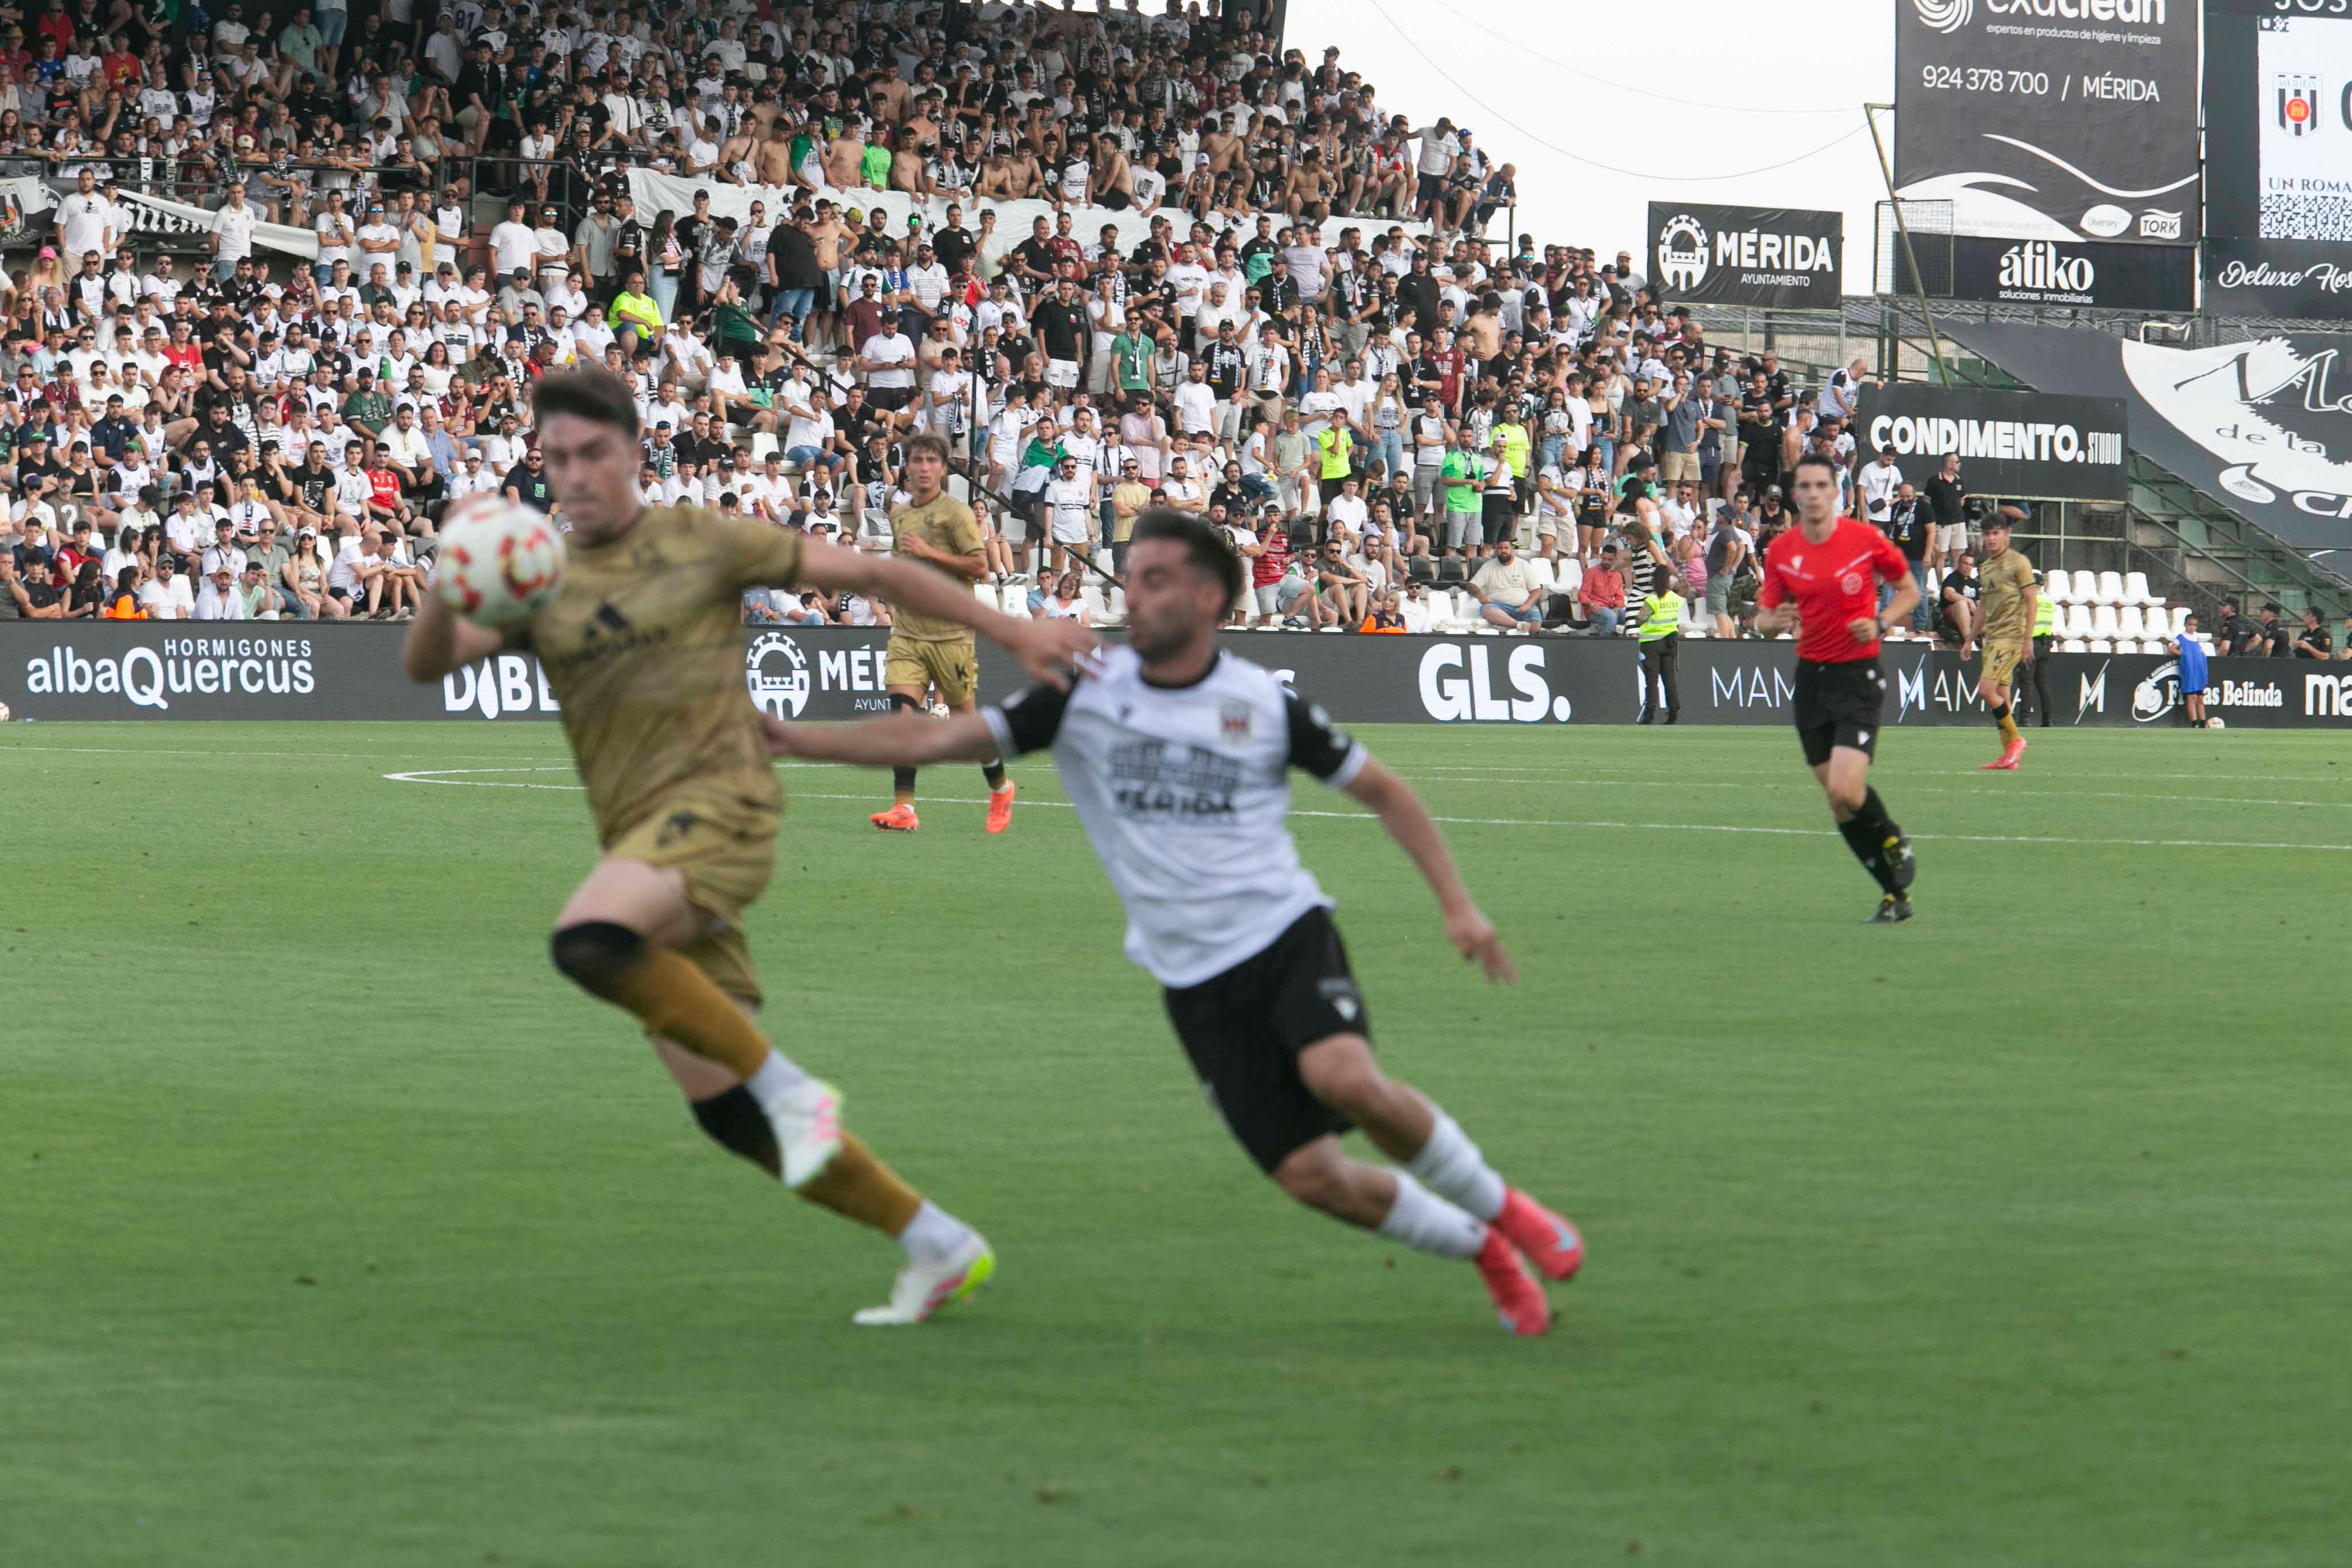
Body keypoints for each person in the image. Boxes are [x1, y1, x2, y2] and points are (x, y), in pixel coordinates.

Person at [764, 509, 1585, 1336]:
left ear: (1208, 598)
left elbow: (1384, 790)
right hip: (1192, 978)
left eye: (1155, 579)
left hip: (1285, 934)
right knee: (1311, 1176)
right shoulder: (1084, 697)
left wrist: (1459, 906)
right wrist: (796, 741)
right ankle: (1482, 1246)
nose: (1134, 593)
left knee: (1344, 1080)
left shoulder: (1259, 700)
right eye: (1130, 578)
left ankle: (1505, 1206)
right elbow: (948, 737)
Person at [399, 369, 1096, 1326]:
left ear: (634, 454)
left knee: (588, 940)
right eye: (556, 458)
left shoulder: (697, 539)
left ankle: (792, 1082)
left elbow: (878, 575)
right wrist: (449, 581)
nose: (574, 475)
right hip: (643, 840)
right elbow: (429, 662)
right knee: (726, 1109)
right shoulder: (538, 578)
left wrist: (1014, 628)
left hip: (721, 801)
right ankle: (933, 1239)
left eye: (592, 454)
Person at [1753, 452, 1922, 924]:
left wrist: (1883, 621)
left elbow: (1910, 590)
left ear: (1835, 492)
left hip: (1858, 675)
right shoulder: (1782, 550)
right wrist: (1774, 621)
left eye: (1819, 486)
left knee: (1848, 789)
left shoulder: (1865, 539)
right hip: (1811, 680)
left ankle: (1892, 836)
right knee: (1836, 799)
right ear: (1794, 495)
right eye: (1802, 487)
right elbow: (1765, 618)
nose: (1811, 494)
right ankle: (1894, 895)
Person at [868, 433, 1019, 837]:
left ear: (942, 468)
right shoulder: (899, 515)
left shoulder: (956, 514)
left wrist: (930, 554)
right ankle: (904, 807)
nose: (923, 468)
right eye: (916, 461)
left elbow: (979, 568)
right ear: (908, 467)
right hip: (908, 633)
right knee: (902, 717)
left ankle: (1001, 788)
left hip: (951, 634)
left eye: (931, 461)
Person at [1971, 515, 2036, 771]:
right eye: (1987, 534)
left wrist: (2028, 638)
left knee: (1986, 690)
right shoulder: (1986, 567)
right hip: (1992, 638)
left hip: (2012, 636)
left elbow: (2032, 600)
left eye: (1995, 533)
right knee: (2002, 699)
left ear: (2007, 534)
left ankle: (2018, 740)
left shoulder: (2019, 563)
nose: (1990, 539)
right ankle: (2008, 757)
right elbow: (1984, 605)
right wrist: (1969, 638)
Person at [1635, 573, 1684, 724]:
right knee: (1669, 680)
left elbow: (1639, 620)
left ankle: (1649, 715)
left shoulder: (1651, 601)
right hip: (1670, 643)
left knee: (1652, 681)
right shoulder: (1676, 599)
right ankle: (1673, 714)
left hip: (1651, 643)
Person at [2174, 614, 2209, 727]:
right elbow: (2172, 648)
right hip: (2189, 670)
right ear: (2185, 625)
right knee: (2191, 697)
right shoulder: (2181, 637)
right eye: (2190, 625)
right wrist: (2184, 655)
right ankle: (2194, 723)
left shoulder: (2196, 638)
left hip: (2199, 670)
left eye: (2194, 625)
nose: (2192, 627)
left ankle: (2203, 722)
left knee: (2200, 698)